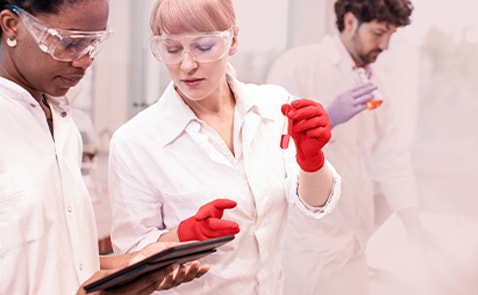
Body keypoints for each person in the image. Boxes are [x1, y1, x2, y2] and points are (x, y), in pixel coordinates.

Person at [107, 0, 342, 294]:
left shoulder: (273, 107)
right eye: (172, 49)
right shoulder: (135, 141)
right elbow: (131, 259)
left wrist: (312, 162)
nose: (187, 65)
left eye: (204, 47)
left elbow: (315, 205)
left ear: (233, 41)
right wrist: (178, 236)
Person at [0, 0, 208, 294]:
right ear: (12, 26)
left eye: (93, 44)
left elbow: (57, 261)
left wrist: (137, 264)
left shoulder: (61, 124)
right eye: (70, 43)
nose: (84, 61)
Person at [266, 0, 424, 294]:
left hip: (355, 244)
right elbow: (273, 148)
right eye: (379, 33)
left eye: (391, 34)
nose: (386, 45)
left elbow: (392, 157)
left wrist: (413, 223)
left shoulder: (377, 84)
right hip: (309, 247)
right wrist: (326, 119)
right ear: (350, 22)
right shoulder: (298, 66)